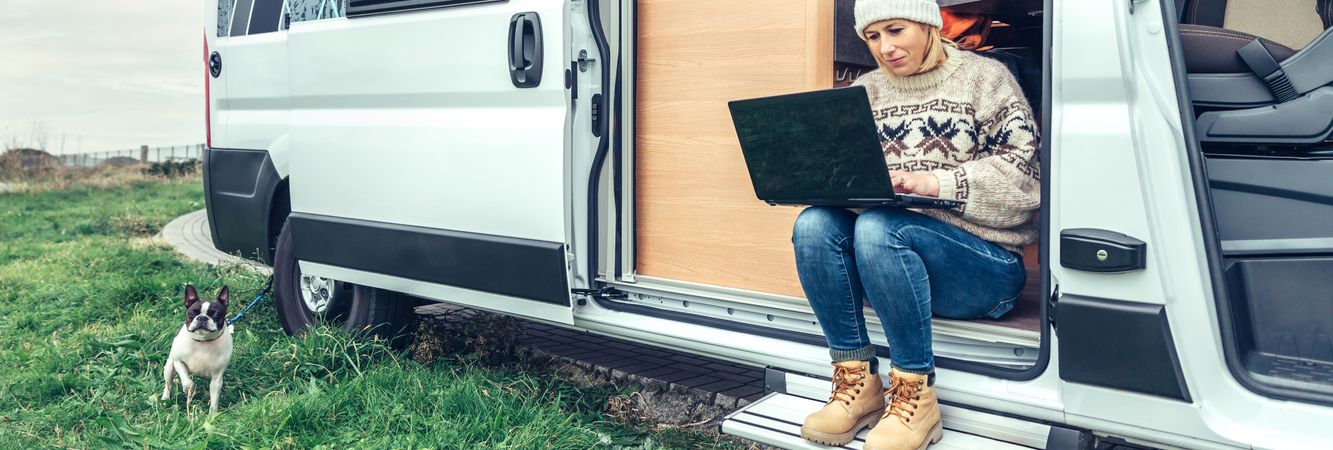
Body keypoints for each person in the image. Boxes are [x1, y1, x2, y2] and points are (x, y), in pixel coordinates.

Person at [793, 1, 1040, 449]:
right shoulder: (865, 91)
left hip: (985, 269)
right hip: (894, 266)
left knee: (882, 227)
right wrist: (824, 181)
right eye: (873, 37)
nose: (885, 48)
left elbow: (1026, 180)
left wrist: (933, 183)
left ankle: (916, 395)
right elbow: (852, 183)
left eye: (895, 30)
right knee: (814, 223)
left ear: (929, 25)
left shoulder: (986, 78)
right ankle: (857, 383)